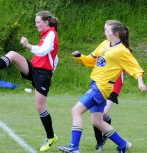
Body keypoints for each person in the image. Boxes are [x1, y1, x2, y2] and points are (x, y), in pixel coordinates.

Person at [59, 20, 147, 153]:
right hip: (96, 85)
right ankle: (123, 144)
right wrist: (79, 57)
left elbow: (136, 68)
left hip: (101, 88)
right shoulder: (105, 44)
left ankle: (74, 147)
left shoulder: (122, 50)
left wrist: (140, 82)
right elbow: (91, 59)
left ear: (116, 34)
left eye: (107, 30)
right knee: (97, 121)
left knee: (76, 111)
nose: (104, 33)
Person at [0, 10, 59, 151]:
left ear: (46, 22)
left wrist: (28, 45)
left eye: (38, 22)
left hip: (43, 75)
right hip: (35, 69)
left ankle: (51, 137)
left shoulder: (52, 33)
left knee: (40, 107)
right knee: (13, 54)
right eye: (35, 22)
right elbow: (50, 55)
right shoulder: (46, 35)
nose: (36, 25)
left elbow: (44, 51)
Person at [94, 71, 125, 152]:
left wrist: (139, 80)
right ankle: (99, 143)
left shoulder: (123, 58)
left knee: (103, 113)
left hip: (114, 89)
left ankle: (106, 135)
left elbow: (134, 68)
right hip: (101, 87)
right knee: (98, 115)